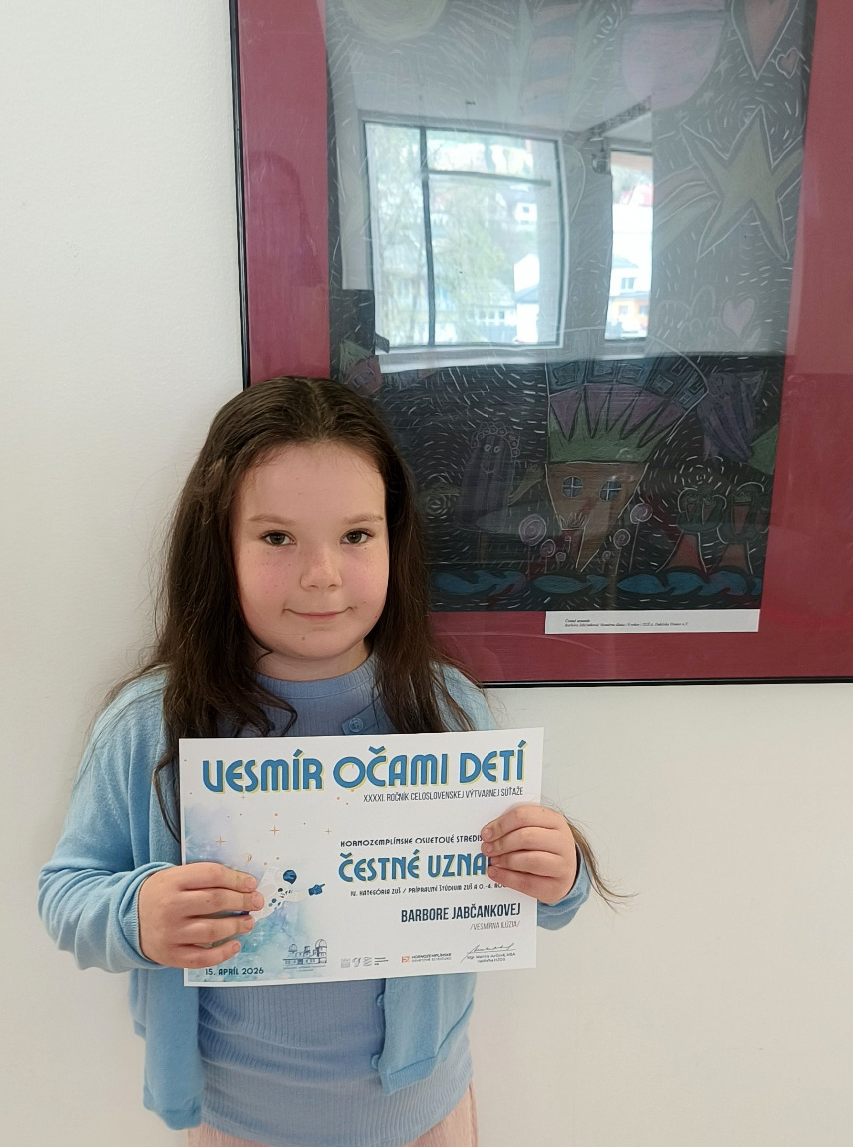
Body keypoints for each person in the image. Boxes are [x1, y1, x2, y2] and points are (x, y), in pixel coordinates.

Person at [39, 376, 602, 1147]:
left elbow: (534, 897)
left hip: (421, 1111)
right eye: (277, 538)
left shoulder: (444, 709)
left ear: (393, 540)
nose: (322, 574)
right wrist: (137, 915)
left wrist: (558, 872)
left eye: (356, 535)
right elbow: (67, 891)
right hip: (237, 1121)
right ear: (219, 545)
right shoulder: (150, 726)